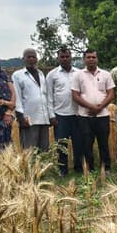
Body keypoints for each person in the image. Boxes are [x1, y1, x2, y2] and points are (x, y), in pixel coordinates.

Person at [71, 49, 115, 172]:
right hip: (85, 116)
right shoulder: (78, 75)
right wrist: (91, 107)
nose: (91, 59)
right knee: (86, 144)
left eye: (93, 57)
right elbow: (75, 95)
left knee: (103, 144)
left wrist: (99, 108)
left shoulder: (106, 74)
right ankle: (90, 169)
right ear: (84, 59)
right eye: (88, 57)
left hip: (103, 115)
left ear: (97, 59)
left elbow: (111, 94)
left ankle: (106, 168)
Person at [46, 47, 81, 176]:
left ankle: (79, 168)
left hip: (77, 114)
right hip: (60, 115)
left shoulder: (79, 73)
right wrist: (51, 115)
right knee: (61, 146)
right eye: (62, 57)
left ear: (71, 57)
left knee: (79, 143)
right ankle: (62, 170)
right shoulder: (52, 75)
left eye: (67, 56)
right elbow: (49, 96)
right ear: (58, 58)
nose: (65, 59)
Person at [13, 48, 51, 152]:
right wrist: (20, 117)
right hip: (28, 119)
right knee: (29, 150)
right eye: (28, 57)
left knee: (44, 151)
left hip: (43, 118)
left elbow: (44, 95)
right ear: (23, 59)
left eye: (33, 57)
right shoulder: (18, 75)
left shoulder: (41, 74)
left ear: (36, 59)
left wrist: (49, 115)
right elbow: (17, 96)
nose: (31, 59)